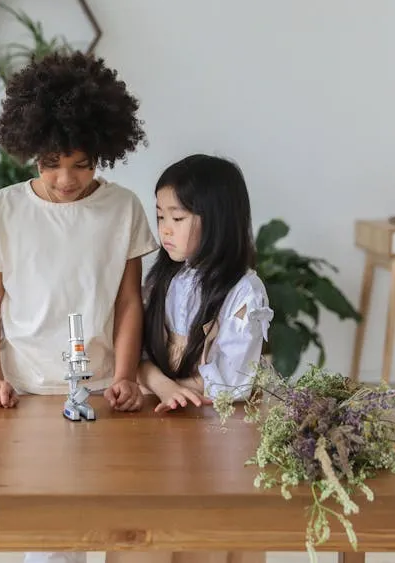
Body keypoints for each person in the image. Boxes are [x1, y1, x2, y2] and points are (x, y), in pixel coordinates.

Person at [0, 51, 159, 563]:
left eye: (81, 164)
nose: (65, 179)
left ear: (102, 153)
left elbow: (127, 302)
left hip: (99, 387)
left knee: (108, 521)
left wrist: (125, 375)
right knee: (50, 534)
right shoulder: (6, 209)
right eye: (52, 164)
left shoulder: (122, 209)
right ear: (31, 151)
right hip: (24, 389)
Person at [106, 154, 272, 563]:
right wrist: (163, 386)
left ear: (215, 219)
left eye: (177, 218)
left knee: (208, 525)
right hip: (167, 420)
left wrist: (179, 388)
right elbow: (141, 355)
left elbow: (234, 380)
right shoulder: (164, 279)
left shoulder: (244, 291)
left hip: (221, 427)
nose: (164, 228)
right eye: (160, 215)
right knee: (150, 522)